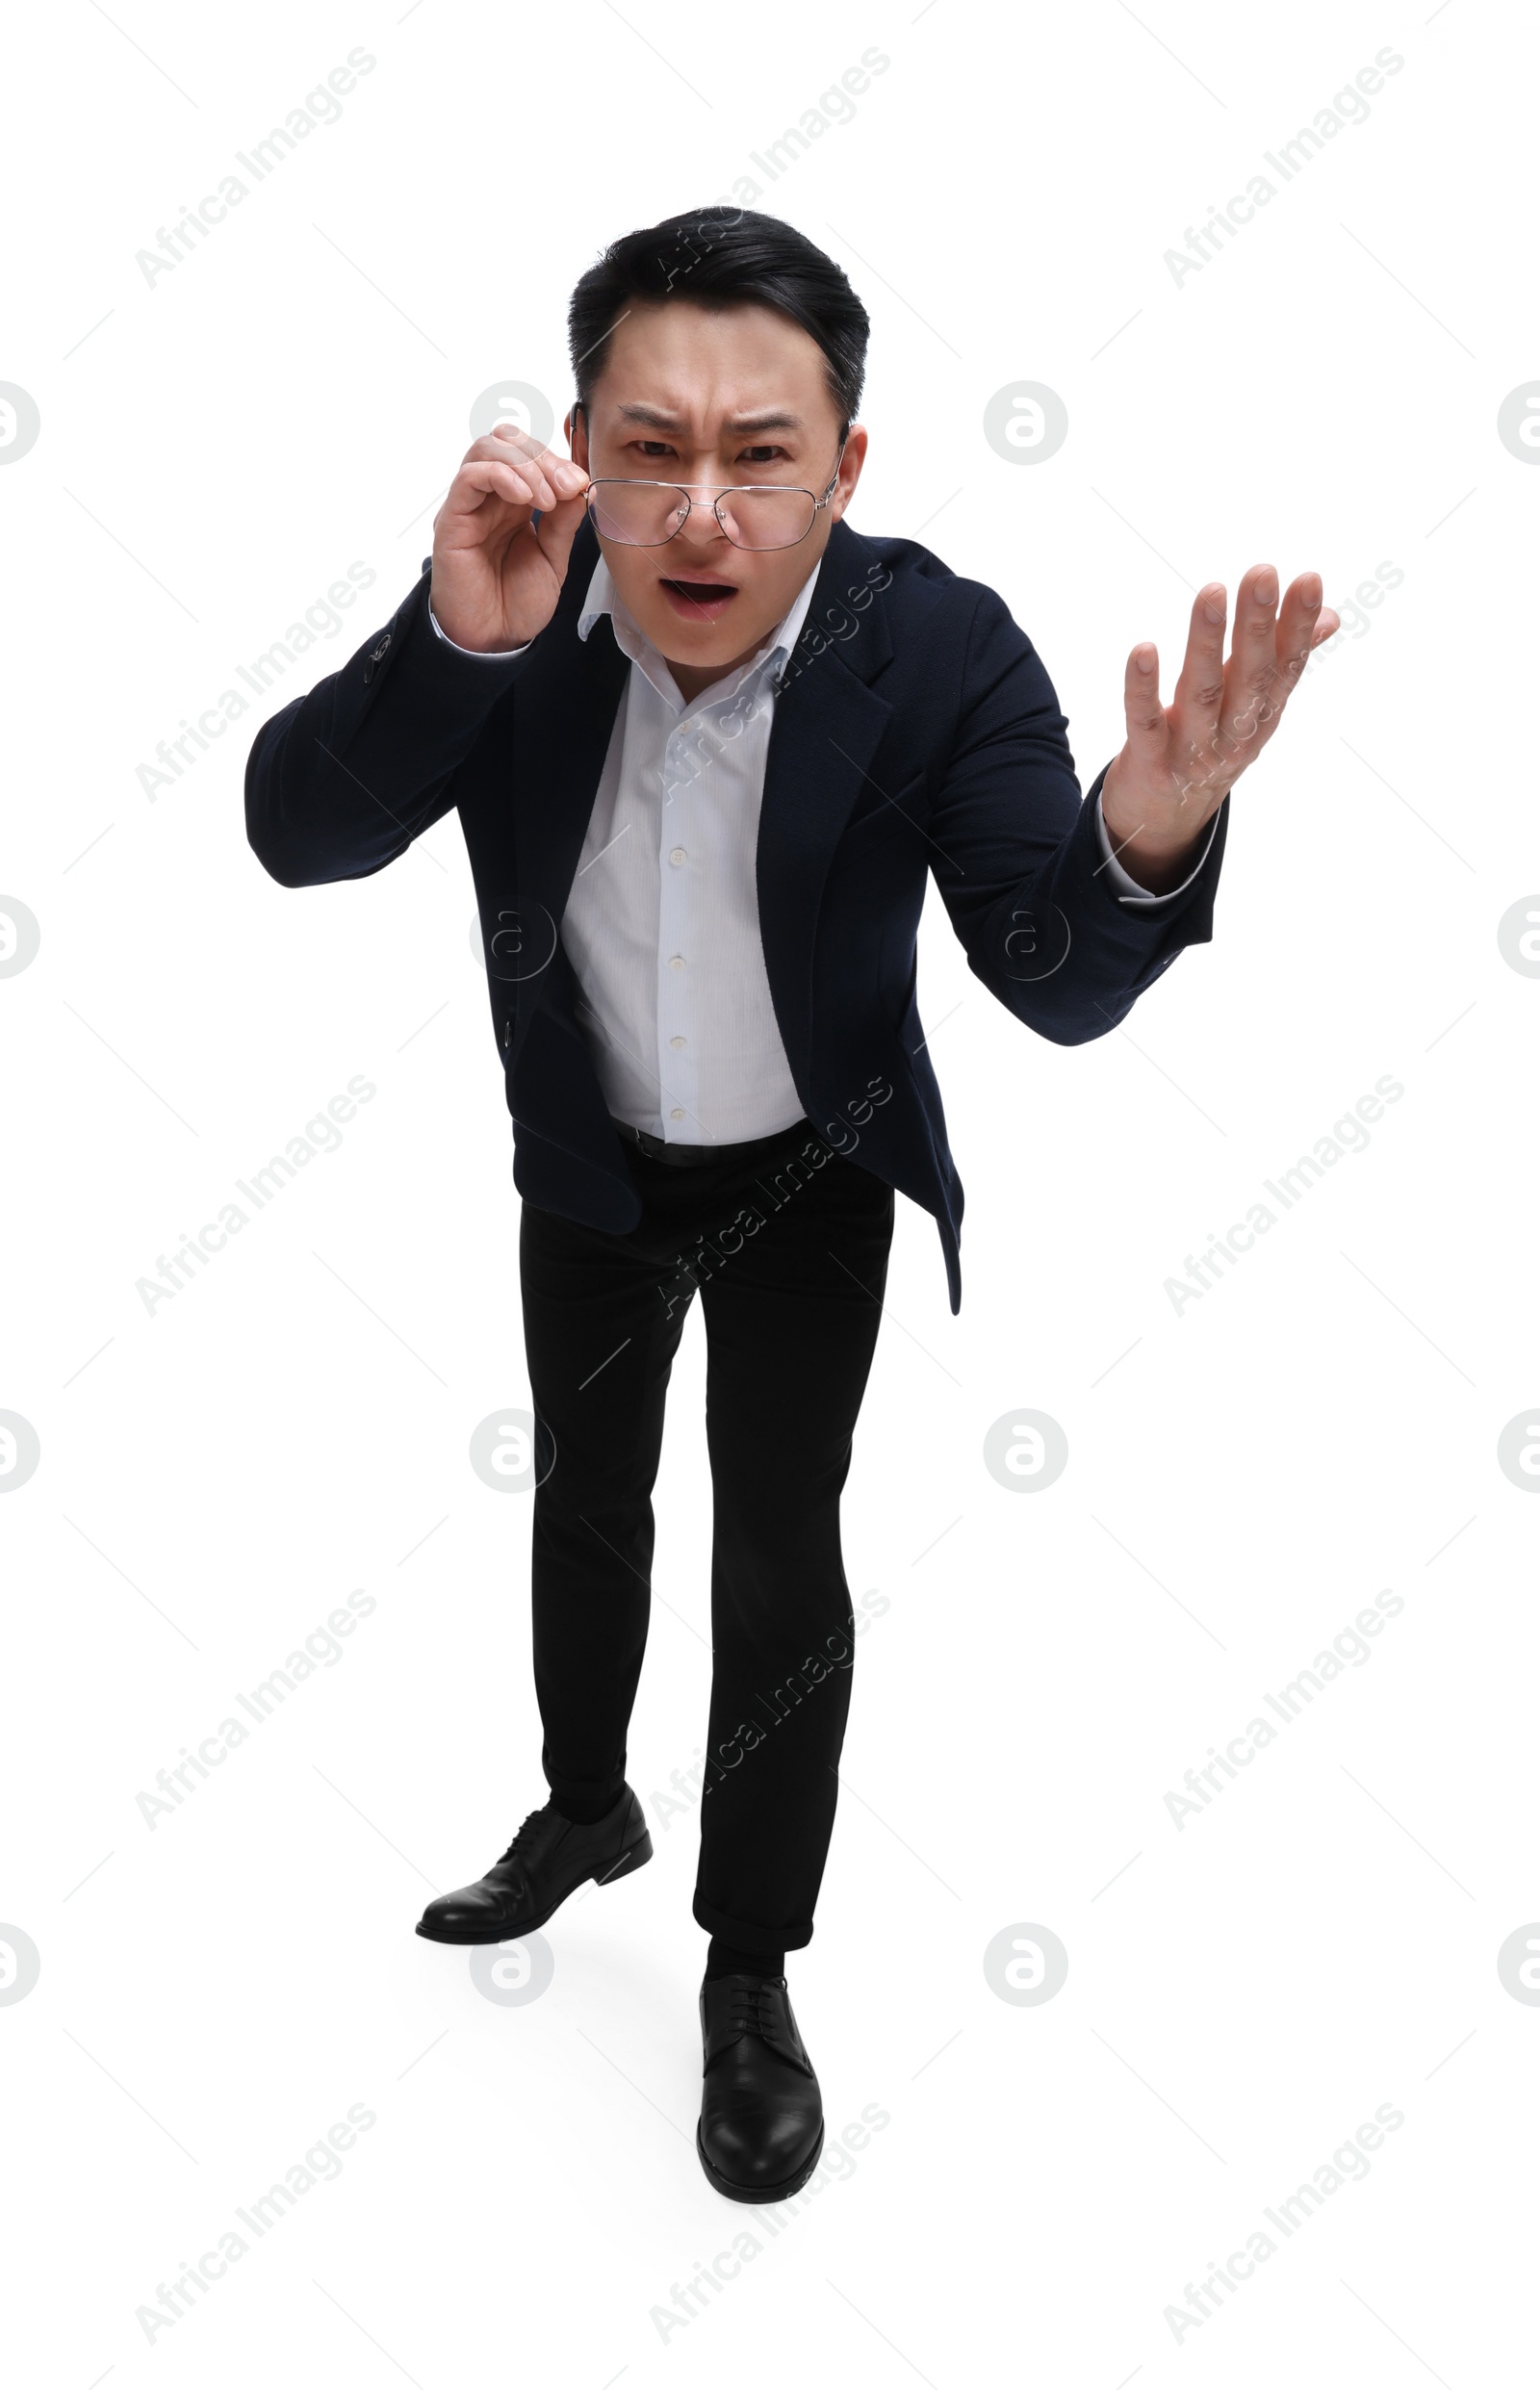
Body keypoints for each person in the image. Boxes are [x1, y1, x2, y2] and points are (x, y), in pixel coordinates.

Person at [244, 206, 1338, 2203]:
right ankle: (584, 1809)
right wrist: (462, 640)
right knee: (584, 1492)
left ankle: (745, 1965)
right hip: (582, 1161)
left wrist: (1147, 831)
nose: (699, 510)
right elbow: (296, 832)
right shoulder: (515, 607)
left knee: (773, 1549)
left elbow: (1054, 978)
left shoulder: (930, 650)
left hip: (807, 1177)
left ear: (846, 467)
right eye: (647, 446)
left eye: (760, 454)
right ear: (577, 443)